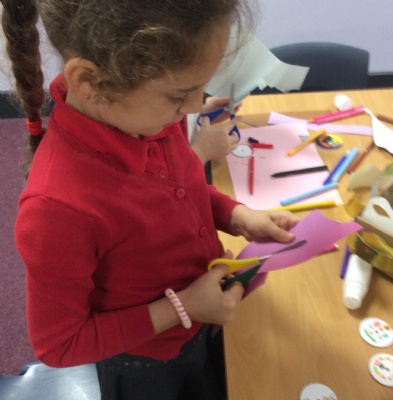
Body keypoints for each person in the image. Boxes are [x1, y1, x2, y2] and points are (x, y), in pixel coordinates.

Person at [2, 1, 299, 399]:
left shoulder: (144, 115)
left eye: (200, 88)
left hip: (201, 315)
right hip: (146, 362)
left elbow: (179, 188)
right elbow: (60, 344)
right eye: (181, 95)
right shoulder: (57, 209)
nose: (194, 108)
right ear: (89, 81)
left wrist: (235, 215)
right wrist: (185, 307)